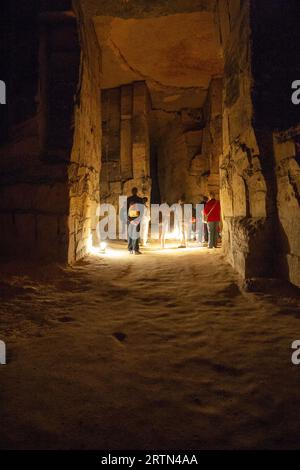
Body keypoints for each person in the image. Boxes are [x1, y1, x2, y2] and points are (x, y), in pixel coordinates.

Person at [127, 187, 144, 254]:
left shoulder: (128, 199)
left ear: (132, 191)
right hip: (136, 218)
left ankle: (130, 249)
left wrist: (128, 219)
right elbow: (142, 211)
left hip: (130, 218)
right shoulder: (140, 199)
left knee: (130, 234)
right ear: (137, 191)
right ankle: (135, 249)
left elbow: (125, 210)